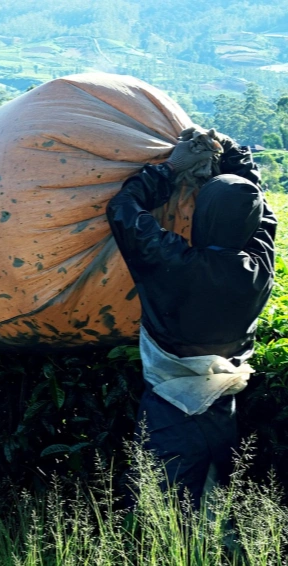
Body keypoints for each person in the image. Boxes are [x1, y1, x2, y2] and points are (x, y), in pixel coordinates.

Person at [106, 127, 277, 507]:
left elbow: (123, 211)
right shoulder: (260, 268)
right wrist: (236, 157)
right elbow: (261, 213)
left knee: (161, 500)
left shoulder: (174, 262)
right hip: (222, 399)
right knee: (213, 494)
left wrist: (170, 169)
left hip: (172, 401)